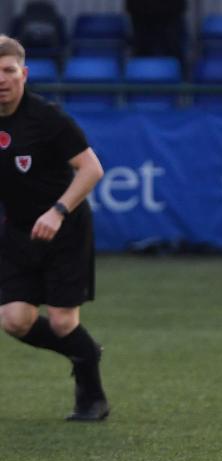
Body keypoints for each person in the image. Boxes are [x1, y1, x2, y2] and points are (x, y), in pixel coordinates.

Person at [0, 35, 109, 421]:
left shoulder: (47, 118)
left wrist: (58, 211)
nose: (2, 79)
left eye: (9, 70)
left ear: (23, 74)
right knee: (14, 320)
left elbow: (92, 169)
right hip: (17, 233)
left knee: (63, 322)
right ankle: (83, 349)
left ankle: (92, 397)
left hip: (66, 229)